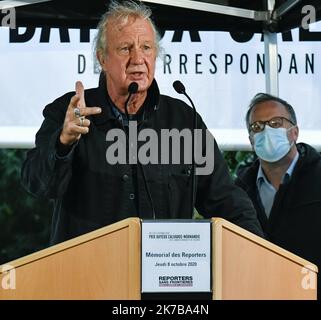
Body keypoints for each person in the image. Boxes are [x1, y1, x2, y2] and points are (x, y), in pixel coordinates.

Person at [21, 0, 263, 245]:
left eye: (146, 47)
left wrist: (258, 248)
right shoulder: (69, 112)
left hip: (165, 276)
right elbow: (38, 185)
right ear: (102, 58)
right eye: (125, 48)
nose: (138, 58)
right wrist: (63, 144)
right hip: (90, 277)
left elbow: (225, 199)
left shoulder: (184, 121)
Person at [236, 93, 321, 298]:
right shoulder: (239, 191)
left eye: (276, 122)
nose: (266, 130)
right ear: (250, 140)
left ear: (294, 132)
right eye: (257, 127)